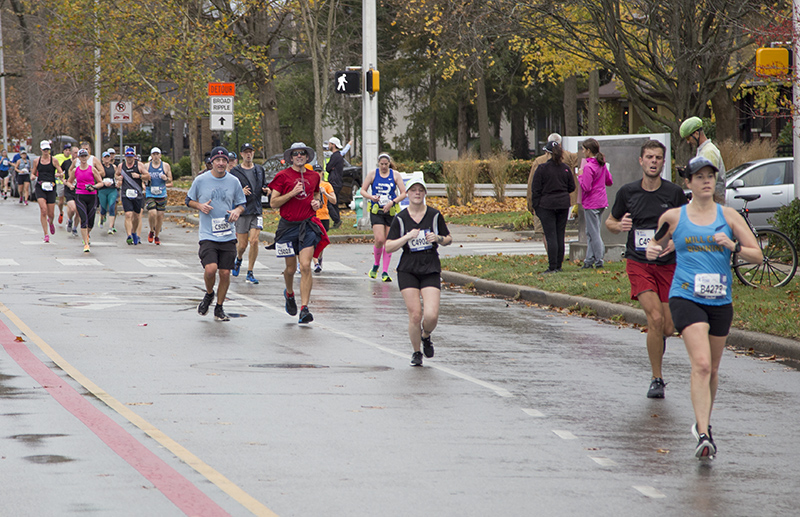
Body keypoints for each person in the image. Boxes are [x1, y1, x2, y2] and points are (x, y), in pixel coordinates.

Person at [645, 156, 761, 459]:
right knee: (702, 364)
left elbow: (758, 256)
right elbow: (655, 244)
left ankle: (703, 424)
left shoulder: (730, 216)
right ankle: (704, 432)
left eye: (711, 176)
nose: (707, 181)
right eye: (700, 177)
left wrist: (733, 246)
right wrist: (652, 249)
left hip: (720, 300)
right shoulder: (673, 217)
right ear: (689, 183)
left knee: (713, 370)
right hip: (686, 296)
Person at [606, 139, 689, 398]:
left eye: (658, 158)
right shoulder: (628, 192)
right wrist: (618, 227)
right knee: (654, 319)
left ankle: (658, 339)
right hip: (639, 262)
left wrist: (674, 244)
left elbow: (687, 224)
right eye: (649, 157)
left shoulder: (674, 193)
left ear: (663, 163)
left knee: (666, 327)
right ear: (641, 161)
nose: (653, 161)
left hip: (667, 265)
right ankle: (657, 379)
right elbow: (610, 220)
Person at [385, 177, 452, 366]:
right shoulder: (400, 218)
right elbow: (389, 247)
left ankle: (426, 335)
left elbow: (448, 239)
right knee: (415, 314)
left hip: (430, 267)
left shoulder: (434, 215)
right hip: (408, 269)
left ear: (424, 193)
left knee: (431, 315)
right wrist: (406, 237)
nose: (417, 193)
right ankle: (416, 353)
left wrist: (437, 238)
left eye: (420, 190)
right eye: (413, 190)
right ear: (407, 194)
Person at [268, 142, 328, 324]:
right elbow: (273, 203)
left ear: (307, 157)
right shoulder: (282, 176)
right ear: (290, 157)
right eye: (296, 154)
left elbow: (317, 195)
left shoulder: (313, 176)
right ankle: (289, 293)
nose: (299, 156)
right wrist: (292, 193)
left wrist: (317, 203)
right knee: (290, 269)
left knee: (305, 266)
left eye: (302, 153)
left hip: (307, 225)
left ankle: (304, 308)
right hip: (287, 227)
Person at [186, 146, 246, 322]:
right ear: (211, 162)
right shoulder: (201, 180)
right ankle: (209, 293)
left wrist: (237, 211)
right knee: (211, 269)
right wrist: (200, 206)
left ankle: (219, 307)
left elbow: (242, 203)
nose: (221, 163)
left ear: (228, 162)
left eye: (224, 160)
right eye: (217, 160)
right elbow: (189, 200)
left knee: (225, 273)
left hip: (228, 233)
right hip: (208, 234)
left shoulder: (234, 181)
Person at [360, 152, 407, 281]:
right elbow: (362, 190)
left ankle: (385, 272)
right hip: (377, 211)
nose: (384, 167)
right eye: (382, 164)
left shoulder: (395, 175)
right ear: (378, 163)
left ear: (389, 163)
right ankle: (376, 265)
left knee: (389, 242)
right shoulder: (373, 174)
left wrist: (393, 202)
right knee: (380, 239)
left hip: (390, 211)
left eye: (386, 164)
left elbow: (404, 193)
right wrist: (371, 197)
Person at [527, 133, 579, 249]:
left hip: (543, 203)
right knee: (560, 232)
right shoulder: (569, 159)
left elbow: (532, 186)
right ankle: (558, 259)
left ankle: (551, 258)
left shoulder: (539, 162)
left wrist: (531, 205)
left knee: (547, 232)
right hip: (563, 203)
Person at [530, 141, 576, 273]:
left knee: (551, 236)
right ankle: (559, 266)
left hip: (547, 205)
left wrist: (536, 206)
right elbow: (571, 187)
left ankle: (552, 266)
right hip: (562, 205)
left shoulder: (542, 168)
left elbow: (536, 189)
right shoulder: (565, 168)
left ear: (547, 153)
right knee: (560, 235)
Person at [229, 142, 267, 284]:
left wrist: (266, 189)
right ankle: (238, 259)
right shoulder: (235, 172)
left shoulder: (259, 169)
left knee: (255, 240)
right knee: (243, 245)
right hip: (243, 210)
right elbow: (230, 191)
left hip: (256, 210)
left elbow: (264, 184)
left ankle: (250, 272)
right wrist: (240, 192)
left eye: (250, 151)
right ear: (241, 155)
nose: (248, 154)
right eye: (246, 152)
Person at [578, 138, 613, 269]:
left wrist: (580, 176)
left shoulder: (588, 167)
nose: (582, 152)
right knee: (591, 231)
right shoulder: (601, 164)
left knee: (593, 233)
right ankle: (589, 260)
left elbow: (586, 187)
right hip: (601, 201)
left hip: (591, 202)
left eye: (583, 149)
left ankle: (599, 260)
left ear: (588, 150)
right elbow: (609, 181)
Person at [679, 116, 726, 204]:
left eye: (688, 138)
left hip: (711, 207)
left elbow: (708, 183)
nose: (688, 142)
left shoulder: (709, 152)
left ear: (696, 133)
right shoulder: (704, 150)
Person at [67, 148, 103, 252]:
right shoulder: (76, 170)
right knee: (84, 219)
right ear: (78, 158)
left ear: (87, 157)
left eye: (85, 156)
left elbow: (100, 182)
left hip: (92, 196)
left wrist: (94, 186)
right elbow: (69, 181)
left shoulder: (92, 169)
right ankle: (86, 244)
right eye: (81, 156)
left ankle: (87, 234)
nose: (83, 158)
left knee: (90, 222)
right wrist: (71, 186)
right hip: (80, 195)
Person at [116, 147, 150, 245]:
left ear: (134, 157)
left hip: (137, 194)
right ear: (125, 157)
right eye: (128, 157)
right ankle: (129, 235)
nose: (129, 159)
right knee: (128, 214)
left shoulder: (139, 165)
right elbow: (116, 174)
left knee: (136, 216)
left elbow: (148, 176)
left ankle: (134, 232)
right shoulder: (121, 166)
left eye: (131, 157)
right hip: (125, 194)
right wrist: (118, 178)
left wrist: (139, 176)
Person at [32, 140, 64, 243]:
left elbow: (60, 172)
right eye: (44, 149)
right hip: (40, 186)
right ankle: (46, 234)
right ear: (41, 149)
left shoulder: (54, 160)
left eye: (48, 149)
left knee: (51, 213)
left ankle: (50, 223)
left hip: (51, 187)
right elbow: (33, 173)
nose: (46, 151)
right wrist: (32, 176)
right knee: (43, 210)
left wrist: (59, 175)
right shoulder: (37, 161)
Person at [145, 147, 173, 245]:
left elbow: (171, 180)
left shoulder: (165, 166)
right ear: (151, 156)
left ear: (160, 156)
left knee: (160, 216)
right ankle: (151, 231)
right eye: (154, 154)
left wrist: (166, 178)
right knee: (152, 213)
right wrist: (146, 180)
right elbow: (142, 178)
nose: (155, 156)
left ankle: (156, 236)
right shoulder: (147, 166)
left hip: (161, 193)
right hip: (150, 193)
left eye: (157, 154)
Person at [313, 164, 336, 273]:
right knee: (312, 240)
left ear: (322, 173)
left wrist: (325, 192)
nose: (317, 174)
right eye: (315, 172)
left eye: (319, 171)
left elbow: (334, 200)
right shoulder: (309, 184)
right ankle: (315, 262)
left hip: (323, 216)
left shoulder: (326, 185)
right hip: (312, 216)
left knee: (321, 241)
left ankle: (319, 258)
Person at [324, 137, 348, 229]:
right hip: (338, 182)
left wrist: (330, 167)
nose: (328, 146)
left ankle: (336, 220)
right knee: (335, 203)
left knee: (330, 203)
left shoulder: (335, 156)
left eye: (330, 144)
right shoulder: (339, 156)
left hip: (334, 182)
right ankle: (337, 221)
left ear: (333, 145)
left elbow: (328, 167)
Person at [98, 151, 119, 234]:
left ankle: (110, 227)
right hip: (102, 189)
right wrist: (102, 183)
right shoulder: (100, 167)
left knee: (112, 207)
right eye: (105, 157)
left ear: (110, 158)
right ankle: (102, 218)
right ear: (102, 158)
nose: (106, 159)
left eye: (108, 157)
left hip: (112, 189)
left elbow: (116, 176)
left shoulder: (113, 167)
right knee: (103, 208)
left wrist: (118, 182)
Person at [54, 143, 73, 223]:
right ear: (63, 151)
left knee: (69, 201)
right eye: (66, 150)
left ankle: (69, 218)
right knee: (61, 201)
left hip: (69, 182)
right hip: (60, 182)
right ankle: (61, 212)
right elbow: (57, 168)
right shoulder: (58, 157)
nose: (68, 152)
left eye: (69, 150)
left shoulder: (73, 159)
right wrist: (58, 174)